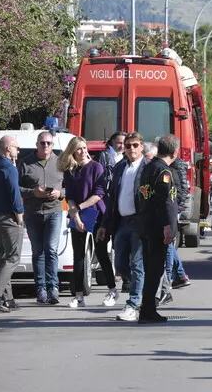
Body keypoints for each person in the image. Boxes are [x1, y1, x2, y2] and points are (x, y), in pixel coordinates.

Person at [58, 136, 117, 308]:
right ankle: (78, 296)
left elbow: (99, 194)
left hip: (97, 214)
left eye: (84, 148)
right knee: (79, 256)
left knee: (101, 252)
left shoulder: (96, 167)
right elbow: (69, 196)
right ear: (73, 152)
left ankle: (112, 290)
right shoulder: (70, 171)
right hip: (78, 215)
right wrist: (75, 216)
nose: (83, 151)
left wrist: (79, 208)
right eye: (79, 149)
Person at [97, 132, 148, 322]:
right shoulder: (119, 168)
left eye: (135, 145)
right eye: (128, 146)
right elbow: (111, 199)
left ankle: (133, 304)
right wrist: (105, 225)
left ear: (141, 146)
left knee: (137, 264)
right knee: (120, 265)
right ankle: (143, 285)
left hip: (139, 223)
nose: (132, 149)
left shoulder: (147, 168)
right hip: (121, 222)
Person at [18, 130, 65, 304]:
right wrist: (33, 193)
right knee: (38, 252)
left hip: (54, 211)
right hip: (33, 213)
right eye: (42, 143)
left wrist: (60, 193)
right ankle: (41, 289)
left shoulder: (61, 162)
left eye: (48, 143)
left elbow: (70, 187)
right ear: (37, 144)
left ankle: (53, 288)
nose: (45, 146)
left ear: (53, 145)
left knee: (51, 250)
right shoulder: (25, 163)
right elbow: (17, 188)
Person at [137, 134, 180, 324]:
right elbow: (164, 201)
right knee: (155, 269)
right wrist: (167, 227)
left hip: (146, 223)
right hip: (156, 226)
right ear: (175, 152)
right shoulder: (163, 171)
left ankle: (147, 308)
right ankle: (147, 310)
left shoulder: (148, 168)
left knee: (151, 268)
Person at [0, 136, 24, 313]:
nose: (18, 151)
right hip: (8, 219)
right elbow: (14, 194)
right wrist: (19, 215)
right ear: (8, 149)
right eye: (16, 148)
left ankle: (9, 298)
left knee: (3, 258)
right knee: (13, 258)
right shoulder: (9, 167)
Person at [157, 153, 191, 305]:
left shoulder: (174, 168)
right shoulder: (172, 166)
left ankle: (170, 277)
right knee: (169, 244)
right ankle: (181, 275)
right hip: (173, 207)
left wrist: (177, 207)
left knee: (169, 244)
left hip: (172, 208)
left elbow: (181, 189)